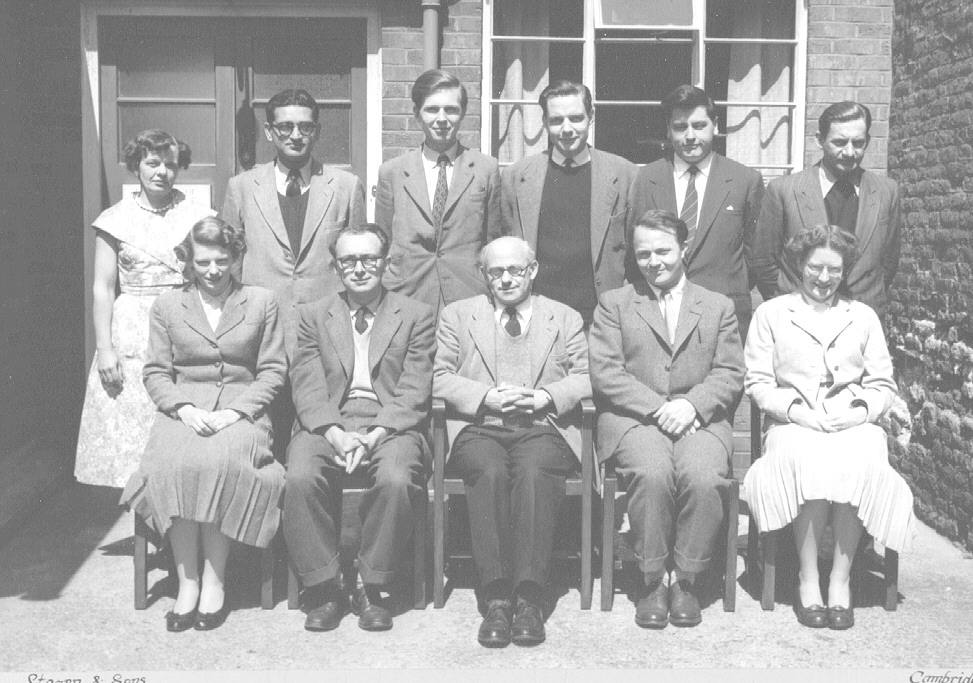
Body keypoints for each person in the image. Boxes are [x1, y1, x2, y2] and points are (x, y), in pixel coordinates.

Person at [743, 224, 914, 630]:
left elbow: (883, 383)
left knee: (862, 459)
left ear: (845, 271)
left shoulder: (862, 316)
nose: (824, 278)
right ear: (800, 265)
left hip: (851, 418)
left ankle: (840, 580)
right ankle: (808, 578)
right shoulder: (771, 314)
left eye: (834, 270)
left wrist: (860, 412)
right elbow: (758, 383)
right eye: (815, 267)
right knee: (808, 460)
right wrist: (796, 411)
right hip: (794, 419)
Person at [121, 217, 286, 632]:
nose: (213, 271)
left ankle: (215, 582)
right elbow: (156, 372)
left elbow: (272, 371)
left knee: (219, 463)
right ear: (189, 262)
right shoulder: (167, 306)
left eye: (221, 261)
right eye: (203, 262)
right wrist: (184, 409)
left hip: (243, 411)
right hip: (184, 412)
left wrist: (235, 412)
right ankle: (186, 582)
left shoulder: (262, 302)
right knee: (171, 466)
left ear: (235, 259)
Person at [590, 210, 744, 629]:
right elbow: (606, 373)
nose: (654, 262)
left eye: (663, 251)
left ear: (684, 249)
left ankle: (688, 579)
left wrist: (692, 405)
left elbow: (730, 371)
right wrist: (661, 409)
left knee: (703, 474)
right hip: (634, 419)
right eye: (643, 255)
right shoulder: (615, 304)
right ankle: (652, 578)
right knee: (653, 472)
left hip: (700, 419)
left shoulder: (717, 306)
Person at [434, 236, 591, 648]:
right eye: (495, 272)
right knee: (487, 470)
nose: (505, 279)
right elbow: (438, 376)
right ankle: (497, 597)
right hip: (480, 425)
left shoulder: (565, 317)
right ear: (483, 275)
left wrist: (547, 396)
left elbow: (588, 376)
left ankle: (530, 598)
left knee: (535, 471)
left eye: (515, 271)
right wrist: (484, 396)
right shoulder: (457, 316)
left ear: (533, 270)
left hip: (543, 425)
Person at [284, 223, 436, 633]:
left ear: (386, 263)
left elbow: (415, 387)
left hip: (392, 423)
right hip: (327, 421)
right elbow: (308, 383)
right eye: (349, 260)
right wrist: (334, 432)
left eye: (369, 258)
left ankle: (371, 584)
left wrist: (376, 435)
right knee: (299, 477)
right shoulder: (313, 315)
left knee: (397, 478)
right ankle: (325, 587)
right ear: (335, 267)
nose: (360, 268)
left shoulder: (416, 315)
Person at [220, 88, 367, 460]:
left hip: (324, 331)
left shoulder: (345, 187)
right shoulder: (241, 187)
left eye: (305, 127)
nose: (295, 135)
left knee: (316, 431)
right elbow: (230, 261)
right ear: (269, 132)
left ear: (317, 132)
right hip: (263, 332)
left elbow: (358, 258)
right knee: (265, 431)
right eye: (285, 127)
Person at [75, 130, 216, 488]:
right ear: (136, 165)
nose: (162, 172)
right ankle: (145, 529)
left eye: (170, 165)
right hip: (131, 328)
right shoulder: (114, 218)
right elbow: (104, 287)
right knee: (134, 427)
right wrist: (104, 348)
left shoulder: (198, 216)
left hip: (183, 321)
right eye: (153, 163)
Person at [627, 85, 764, 338]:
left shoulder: (745, 180)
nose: (690, 136)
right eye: (680, 127)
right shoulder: (646, 178)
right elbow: (633, 250)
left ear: (716, 126)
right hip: (660, 313)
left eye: (699, 126)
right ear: (668, 130)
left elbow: (755, 255)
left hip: (724, 314)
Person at [501, 80, 637, 327]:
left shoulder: (623, 174)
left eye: (575, 118)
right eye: (556, 120)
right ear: (544, 122)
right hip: (536, 314)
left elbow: (634, 253)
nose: (566, 129)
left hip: (600, 317)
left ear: (591, 117)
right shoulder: (518, 176)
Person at [753, 101, 900, 322]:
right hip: (800, 319)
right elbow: (764, 262)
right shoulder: (784, 190)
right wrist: (790, 303)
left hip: (861, 318)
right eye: (839, 142)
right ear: (819, 140)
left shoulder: (886, 191)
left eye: (858, 143)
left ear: (868, 141)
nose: (850, 152)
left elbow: (888, 262)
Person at [375, 69, 502, 317]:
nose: (442, 119)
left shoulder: (485, 169)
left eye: (451, 110)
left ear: (463, 113)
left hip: (468, 297)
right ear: (416, 113)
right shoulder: (392, 172)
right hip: (407, 296)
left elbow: (493, 239)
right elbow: (384, 239)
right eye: (432, 109)